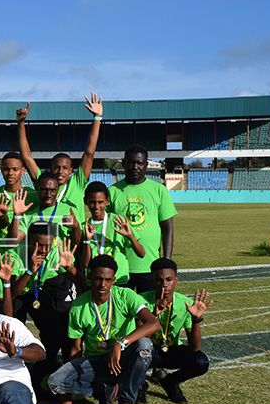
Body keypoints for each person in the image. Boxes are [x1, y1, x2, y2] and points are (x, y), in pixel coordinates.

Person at [47, 255, 159, 404]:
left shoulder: (125, 296)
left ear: (113, 280)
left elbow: (153, 323)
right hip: (97, 361)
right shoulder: (78, 306)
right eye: (98, 279)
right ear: (90, 277)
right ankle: (105, 390)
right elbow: (76, 349)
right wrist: (66, 396)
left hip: (123, 357)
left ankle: (126, 403)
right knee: (54, 382)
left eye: (107, 280)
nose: (102, 285)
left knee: (144, 345)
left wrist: (120, 342)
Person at [9, 223, 81, 397]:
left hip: (46, 290)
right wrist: (29, 270)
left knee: (56, 332)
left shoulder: (58, 250)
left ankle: (42, 373)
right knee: (12, 325)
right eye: (38, 244)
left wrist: (69, 267)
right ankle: (13, 373)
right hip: (24, 291)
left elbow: (81, 282)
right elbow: (12, 294)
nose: (43, 250)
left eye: (48, 245)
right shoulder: (16, 253)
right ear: (29, 240)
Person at [17, 93, 103, 223]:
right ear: (51, 169)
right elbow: (27, 157)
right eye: (56, 167)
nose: (60, 171)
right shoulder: (43, 181)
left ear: (71, 170)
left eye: (65, 168)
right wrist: (20, 123)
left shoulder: (77, 182)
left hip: (73, 239)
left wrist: (97, 118)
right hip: (46, 240)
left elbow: (89, 153)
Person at [142, 258, 211, 404]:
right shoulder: (141, 301)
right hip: (148, 352)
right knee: (134, 353)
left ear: (176, 280)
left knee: (201, 361)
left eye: (169, 279)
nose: (165, 285)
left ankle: (170, 382)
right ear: (153, 281)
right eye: (159, 280)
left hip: (171, 350)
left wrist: (196, 319)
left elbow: (195, 347)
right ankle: (140, 385)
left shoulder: (185, 303)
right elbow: (137, 339)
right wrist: (153, 316)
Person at [109, 145, 177, 294]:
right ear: (124, 163)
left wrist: (165, 263)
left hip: (150, 267)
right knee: (121, 313)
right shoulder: (112, 192)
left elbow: (168, 229)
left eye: (140, 163)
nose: (135, 167)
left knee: (149, 312)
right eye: (131, 162)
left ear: (146, 164)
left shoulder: (159, 190)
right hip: (120, 268)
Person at [79, 181, 144, 287]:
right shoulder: (84, 227)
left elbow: (141, 253)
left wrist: (130, 236)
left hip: (118, 280)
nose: (96, 206)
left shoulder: (118, 221)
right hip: (95, 282)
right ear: (85, 201)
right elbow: (85, 264)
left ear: (107, 201)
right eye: (92, 202)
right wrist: (86, 240)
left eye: (100, 202)